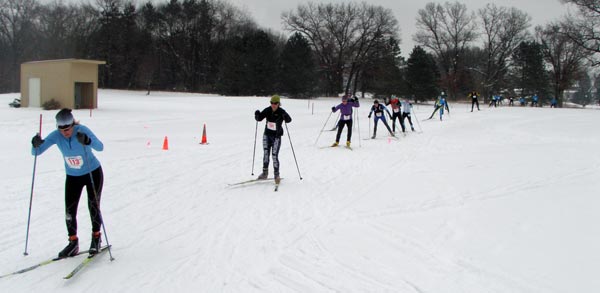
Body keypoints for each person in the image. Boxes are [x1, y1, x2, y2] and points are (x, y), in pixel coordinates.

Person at [30, 108, 105, 258]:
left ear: (73, 124)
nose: (65, 132)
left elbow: (100, 147)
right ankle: (73, 242)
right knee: (69, 211)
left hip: (92, 172)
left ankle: (96, 238)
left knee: (93, 205)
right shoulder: (56, 136)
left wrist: (88, 141)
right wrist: (35, 144)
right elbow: (36, 152)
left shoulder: (82, 130)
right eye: (62, 129)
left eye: (68, 128)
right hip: (73, 176)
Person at [254, 95, 292, 183]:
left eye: (275, 103)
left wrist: (285, 116)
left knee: (274, 155)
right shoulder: (267, 110)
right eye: (272, 103)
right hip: (266, 135)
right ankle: (264, 173)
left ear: (279, 104)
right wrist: (256, 114)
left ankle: (276, 175)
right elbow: (259, 118)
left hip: (276, 137)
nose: (273, 105)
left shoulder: (281, 111)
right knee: (266, 154)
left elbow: (289, 120)